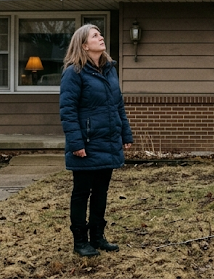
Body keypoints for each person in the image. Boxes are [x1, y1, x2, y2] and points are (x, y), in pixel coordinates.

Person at [59, 24, 133, 257]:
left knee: (101, 191)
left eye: (100, 34)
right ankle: (80, 241)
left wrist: (125, 134)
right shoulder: (74, 72)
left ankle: (98, 237)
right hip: (87, 144)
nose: (101, 37)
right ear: (83, 45)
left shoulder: (109, 70)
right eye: (95, 35)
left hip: (108, 142)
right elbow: (68, 110)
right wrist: (76, 144)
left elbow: (117, 105)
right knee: (82, 192)